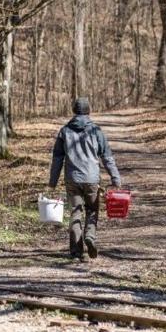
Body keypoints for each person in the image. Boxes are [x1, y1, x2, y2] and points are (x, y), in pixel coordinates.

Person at [49, 97, 122, 260]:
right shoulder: (96, 131)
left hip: (72, 179)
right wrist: (115, 178)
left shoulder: (65, 131)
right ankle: (90, 235)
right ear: (89, 111)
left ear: (74, 111)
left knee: (75, 213)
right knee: (92, 210)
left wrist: (52, 182)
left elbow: (57, 158)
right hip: (91, 179)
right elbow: (107, 157)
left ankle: (76, 252)